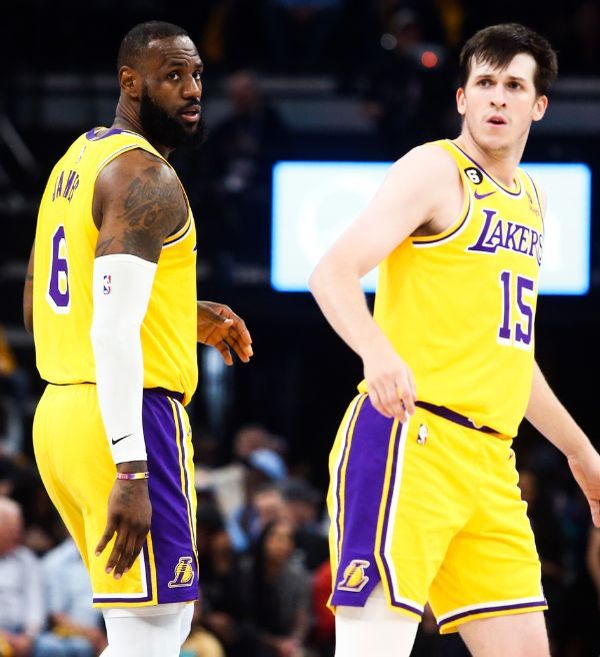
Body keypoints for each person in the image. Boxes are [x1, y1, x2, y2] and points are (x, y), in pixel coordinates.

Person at [308, 22, 600, 657]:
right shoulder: (435, 169)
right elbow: (331, 273)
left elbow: (511, 357)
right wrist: (377, 351)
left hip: (492, 461)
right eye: (485, 83)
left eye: (514, 86)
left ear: (539, 106)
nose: (498, 97)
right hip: (410, 438)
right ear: (463, 98)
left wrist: (581, 453)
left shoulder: (532, 200)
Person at [22, 21, 253, 657]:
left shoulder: (75, 161)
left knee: (150, 629)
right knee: (153, 631)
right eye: (173, 76)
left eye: (197, 75)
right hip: (127, 418)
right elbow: (113, 327)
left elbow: (39, 306)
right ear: (130, 82)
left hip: (60, 416)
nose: (192, 89)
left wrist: (177, 312)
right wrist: (130, 465)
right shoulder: (145, 178)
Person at [0, 497, 45, 657]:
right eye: (11, 529)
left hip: (25, 635)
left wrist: (28, 637)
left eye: (19, 528)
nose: (18, 535)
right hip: (2, 635)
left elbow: (35, 601)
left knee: (53, 648)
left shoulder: (27, 559)